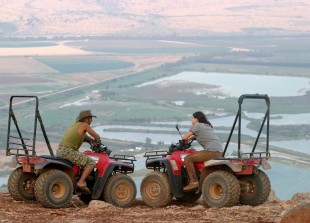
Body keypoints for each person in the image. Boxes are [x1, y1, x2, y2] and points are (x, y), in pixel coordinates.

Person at [56, 110, 101, 194]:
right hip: (68, 151)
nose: (92, 120)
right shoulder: (85, 125)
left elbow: (84, 137)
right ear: (87, 119)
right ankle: (80, 183)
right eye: (91, 119)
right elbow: (97, 136)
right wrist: (97, 141)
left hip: (60, 150)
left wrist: (91, 140)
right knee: (91, 163)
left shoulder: (75, 125)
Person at [182, 111, 223, 191]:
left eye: (192, 118)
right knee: (195, 154)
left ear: (196, 119)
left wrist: (185, 140)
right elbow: (197, 135)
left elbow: (184, 137)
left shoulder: (197, 126)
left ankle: (193, 182)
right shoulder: (206, 125)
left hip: (211, 152)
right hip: (219, 151)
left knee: (188, 159)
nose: (191, 120)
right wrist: (191, 138)